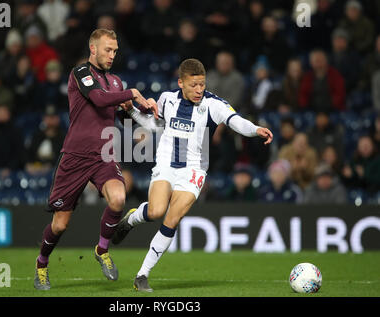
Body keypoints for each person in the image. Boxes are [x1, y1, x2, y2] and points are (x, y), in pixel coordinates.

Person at [114, 58, 273, 292]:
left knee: (172, 217)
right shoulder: (167, 99)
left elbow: (235, 120)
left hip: (194, 170)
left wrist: (255, 129)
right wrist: (133, 112)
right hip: (166, 164)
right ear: (181, 83)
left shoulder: (213, 104)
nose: (199, 90)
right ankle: (132, 218)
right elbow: (155, 126)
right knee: (156, 211)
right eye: (194, 85)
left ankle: (142, 275)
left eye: (202, 84)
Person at [33, 29, 157, 290]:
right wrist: (132, 93)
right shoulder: (80, 73)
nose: (112, 55)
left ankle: (102, 250)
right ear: (93, 49)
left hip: (104, 155)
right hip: (75, 156)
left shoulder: (116, 82)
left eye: (115, 51)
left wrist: (144, 109)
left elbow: (121, 116)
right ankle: (41, 265)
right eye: (107, 50)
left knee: (119, 198)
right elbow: (99, 99)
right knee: (60, 224)